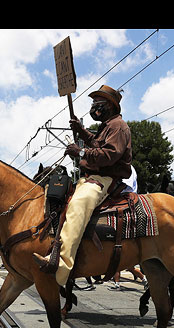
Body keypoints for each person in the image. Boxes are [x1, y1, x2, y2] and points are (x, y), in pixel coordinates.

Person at [33, 85, 133, 286]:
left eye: (99, 103)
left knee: (78, 205)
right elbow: (97, 143)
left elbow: (109, 155)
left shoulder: (119, 126)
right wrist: (82, 131)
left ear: (111, 106)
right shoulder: (108, 126)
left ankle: (61, 264)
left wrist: (80, 153)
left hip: (104, 179)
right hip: (91, 177)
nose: (94, 106)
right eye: (94, 103)